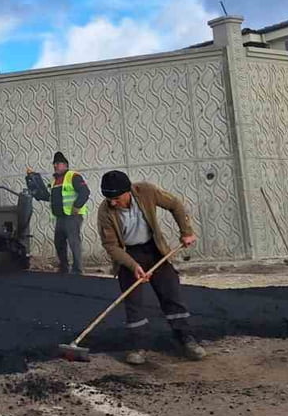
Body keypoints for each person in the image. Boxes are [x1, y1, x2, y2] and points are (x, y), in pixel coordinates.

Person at [96, 170, 205, 365]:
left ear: (128, 191)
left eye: (116, 198)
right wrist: (133, 266)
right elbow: (111, 246)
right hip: (128, 255)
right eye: (109, 199)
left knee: (171, 294)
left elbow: (175, 204)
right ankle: (138, 346)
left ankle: (186, 339)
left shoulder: (146, 192)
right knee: (133, 303)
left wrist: (186, 231)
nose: (112, 202)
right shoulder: (105, 211)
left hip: (155, 250)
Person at [26, 152, 91, 274]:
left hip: (72, 216)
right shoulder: (54, 181)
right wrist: (34, 182)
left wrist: (77, 206)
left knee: (73, 242)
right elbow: (49, 197)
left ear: (65, 165)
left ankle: (77, 269)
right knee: (59, 242)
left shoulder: (73, 176)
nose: (55, 165)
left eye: (58, 163)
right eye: (54, 164)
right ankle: (64, 267)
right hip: (60, 217)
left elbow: (85, 192)